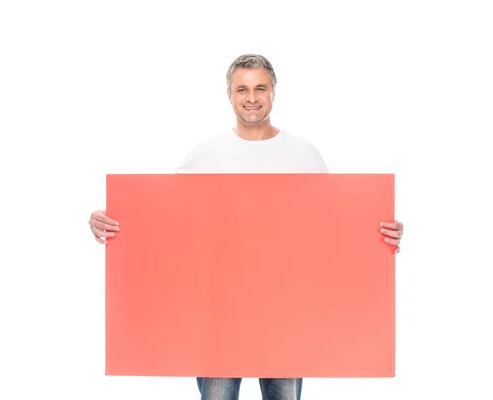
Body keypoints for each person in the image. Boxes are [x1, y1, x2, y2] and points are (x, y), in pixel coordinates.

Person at [88, 54, 404, 400]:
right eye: (242, 89)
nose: (251, 98)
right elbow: (167, 223)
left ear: (273, 92)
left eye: (259, 88)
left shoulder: (303, 154)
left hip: (286, 311)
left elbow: (331, 228)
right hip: (218, 311)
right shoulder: (206, 154)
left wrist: (378, 232)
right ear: (229, 95)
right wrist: (112, 218)